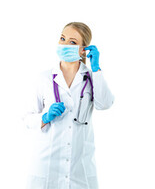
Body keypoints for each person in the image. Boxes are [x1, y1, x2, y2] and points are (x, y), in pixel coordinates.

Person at [24, 22, 114, 188]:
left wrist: (97, 69)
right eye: (62, 38)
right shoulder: (43, 78)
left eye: (72, 42)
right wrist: (44, 117)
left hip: (80, 168)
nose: (64, 44)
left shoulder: (92, 77)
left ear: (83, 49)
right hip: (47, 167)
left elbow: (105, 104)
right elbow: (28, 119)